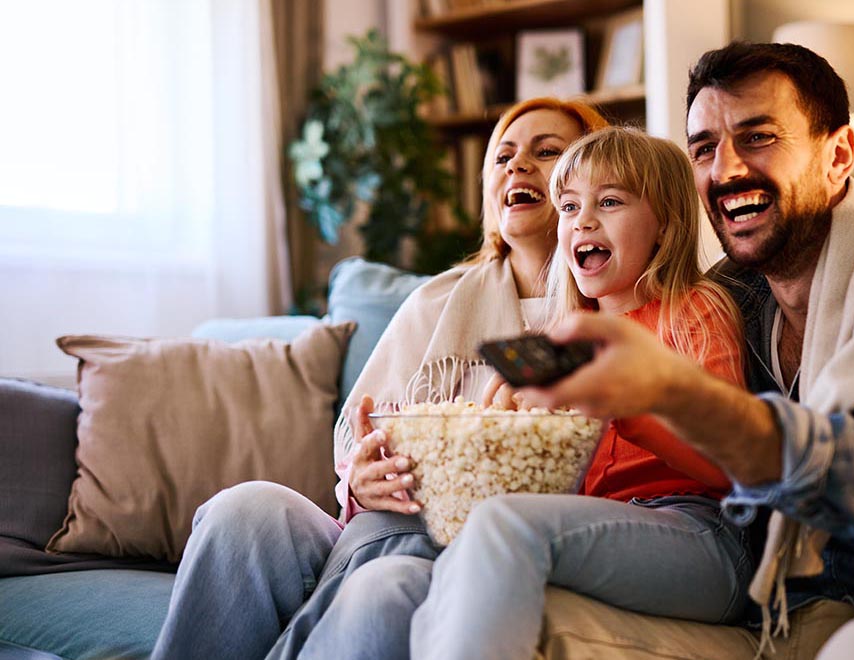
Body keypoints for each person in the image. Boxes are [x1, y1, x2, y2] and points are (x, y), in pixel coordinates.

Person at [516, 42, 854, 659]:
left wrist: (677, 396)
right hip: (766, 610)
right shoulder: (727, 298)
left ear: (839, 155)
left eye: (759, 137)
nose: (727, 170)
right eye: (704, 149)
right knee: (527, 613)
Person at [151, 97, 610, 660]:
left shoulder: (617, 312)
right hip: (379, 524)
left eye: (547, 153)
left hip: (468, 547)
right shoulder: (434, 302)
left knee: (386, 577)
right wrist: (360, 478)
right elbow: (361, 434)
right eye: (503, 157)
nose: (517, 167)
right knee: (242, 509)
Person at [407, 125, 752, 660]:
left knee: (504, 527)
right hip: (594, 526)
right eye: (568, 207)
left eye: (609, 201)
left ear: (665, 224)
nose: (582, 221)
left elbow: (734, 470)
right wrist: (504, 418)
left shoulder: (694, 311)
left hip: (701, 534)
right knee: (419, 570)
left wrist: (632, 412)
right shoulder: (564, 336)